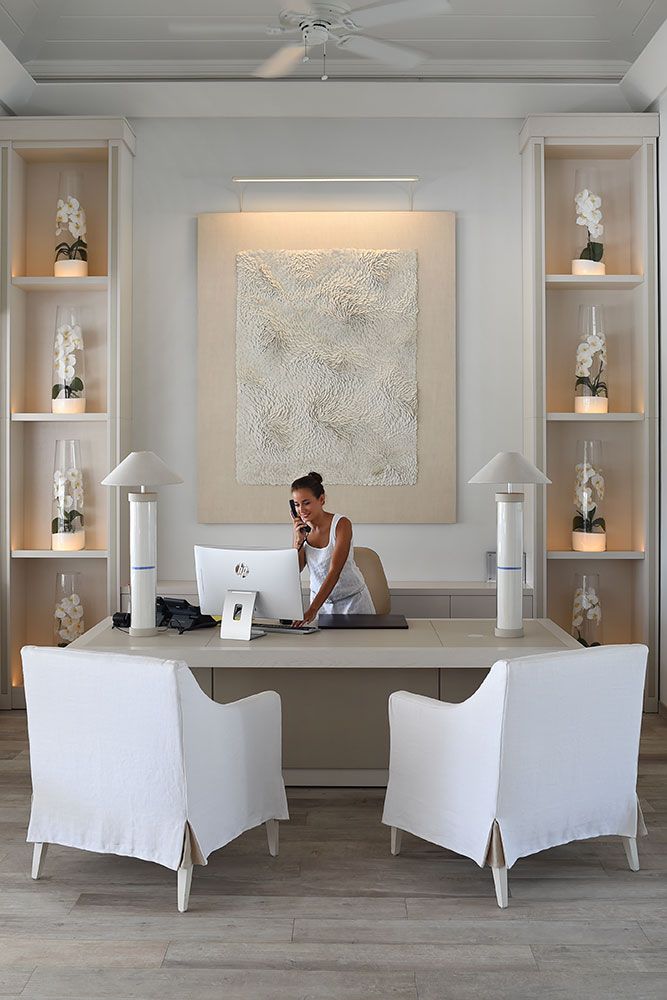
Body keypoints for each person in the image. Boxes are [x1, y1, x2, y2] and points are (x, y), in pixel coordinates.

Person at [290, 471, 375, 626]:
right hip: (321, 604)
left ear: (321, 499)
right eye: (296, 504)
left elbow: (334, 572)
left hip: (352, 604)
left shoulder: (342, 524)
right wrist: (297, 542)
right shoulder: (302, 531)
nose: (301, 510)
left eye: (306, 502)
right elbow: (295, 569)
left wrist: (312, 610)